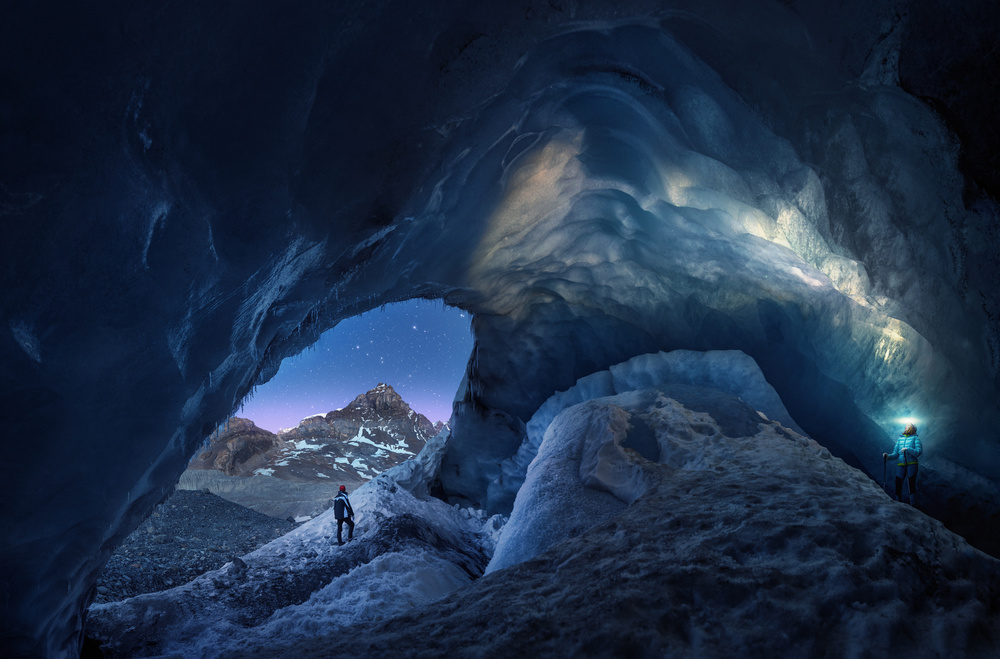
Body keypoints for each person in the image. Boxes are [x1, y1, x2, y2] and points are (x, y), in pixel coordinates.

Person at [884, 424, 922, 505]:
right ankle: (898, 503)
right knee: (898, 482)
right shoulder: (900, 439)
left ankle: (913, 505)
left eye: (908, 425)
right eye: (906, 425)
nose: (906, 426)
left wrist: (908, 449)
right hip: (901, 464)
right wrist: (888, 456)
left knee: (911, 483)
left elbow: (918, 452)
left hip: (912, 464)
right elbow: (896, 454)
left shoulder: (915, 438)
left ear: (912, 428)